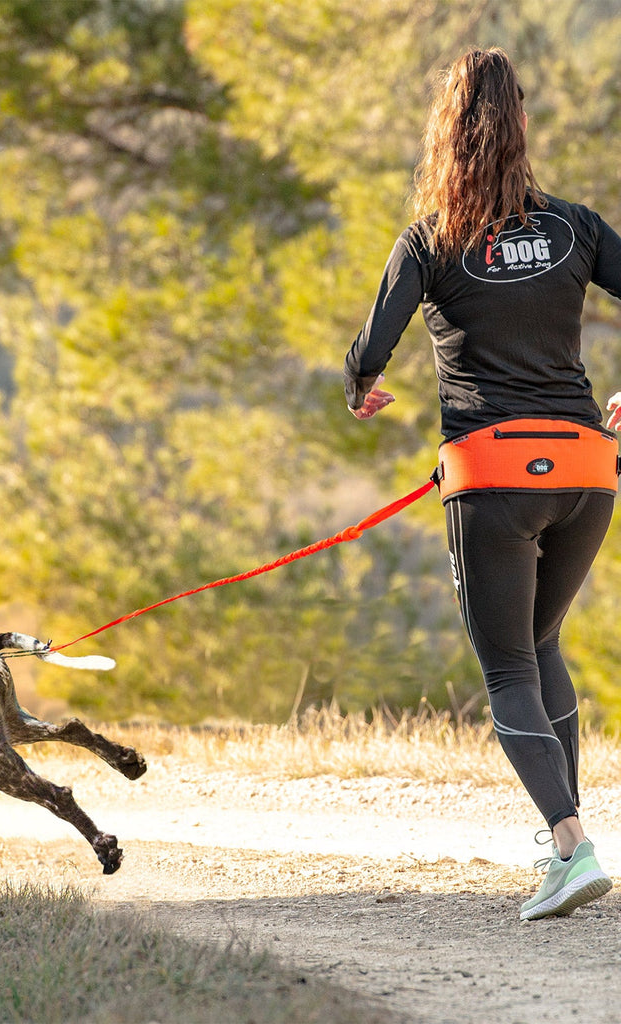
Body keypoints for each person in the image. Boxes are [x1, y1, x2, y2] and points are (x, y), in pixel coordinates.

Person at [344, 47, 621, 921]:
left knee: (506, 663)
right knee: (539, 643)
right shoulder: (574, 225)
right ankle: (564, 846)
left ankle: (572, 844)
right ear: (524, 125)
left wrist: (363, 388)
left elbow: (368, 352)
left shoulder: (429, 241)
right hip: (586, 467)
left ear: (444, 137)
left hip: (491, 471)